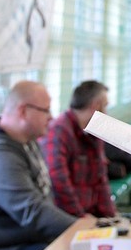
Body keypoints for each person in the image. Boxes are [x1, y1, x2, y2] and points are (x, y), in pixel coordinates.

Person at [0, 81, 75, 250]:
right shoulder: (1, 155)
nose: (51, 117)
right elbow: (32, 211)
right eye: (45, 110)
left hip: (28, 241)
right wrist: (81, 230)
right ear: (23, 111)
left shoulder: (26, 141)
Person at [40, 79, 117, 218]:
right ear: (95, 106)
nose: (106, 113)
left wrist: (111, 216)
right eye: (105, 106)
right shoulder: (59, 132)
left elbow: (100, 179)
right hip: (67, 217)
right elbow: (59, 181)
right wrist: (80, 217)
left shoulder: (93, 132)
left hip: (88, 214)